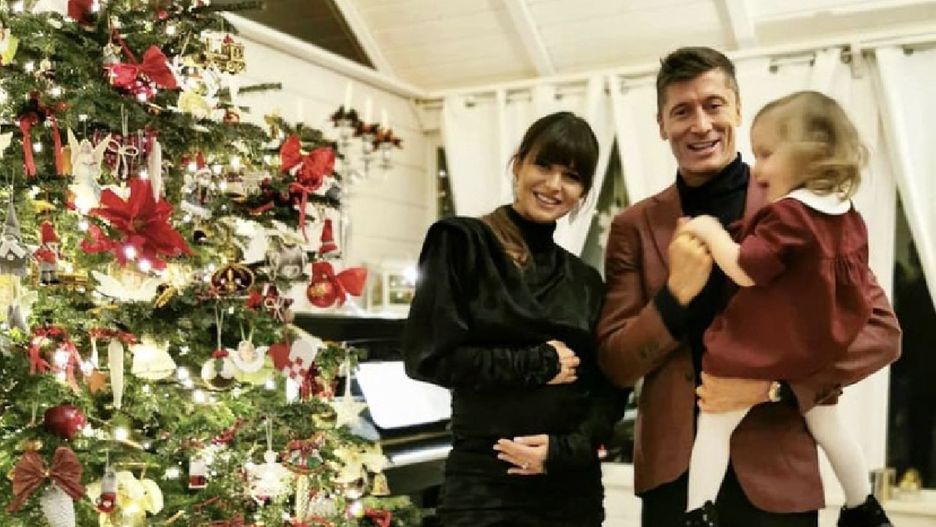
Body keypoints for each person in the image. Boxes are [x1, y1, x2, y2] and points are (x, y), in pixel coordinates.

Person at [597, 46, 901, 527]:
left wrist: (775, 388)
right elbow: (615, 363)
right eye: (682, 111)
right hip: (675, 481)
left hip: (780, 478)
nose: (700, 125)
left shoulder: (804, 205)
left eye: (713, 105)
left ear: (737, 108)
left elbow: (880, 331)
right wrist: (674, 298)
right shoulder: (633, 227)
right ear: (661, 124)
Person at [403, 111, 628, 526]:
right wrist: (538, 363)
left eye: (572, 176)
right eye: (544, 165)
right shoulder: (460, 242)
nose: (554, 185)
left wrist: (565, 450)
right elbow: (427, 358)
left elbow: (609, 386)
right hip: (485, 488)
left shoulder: (584, 280)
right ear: (518, 165)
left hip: (570, 490)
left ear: (583, 192)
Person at [679, 91, 892, 527]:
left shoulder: (790, 217)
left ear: (809, 154)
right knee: (831, 428)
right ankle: (863, 507)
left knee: (714, 425)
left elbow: (745, 269)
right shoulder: (848, 218)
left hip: (758, 352)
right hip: (814, 355)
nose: (757, 170)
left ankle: (697, 513)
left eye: (766, 154)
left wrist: (711, 231)